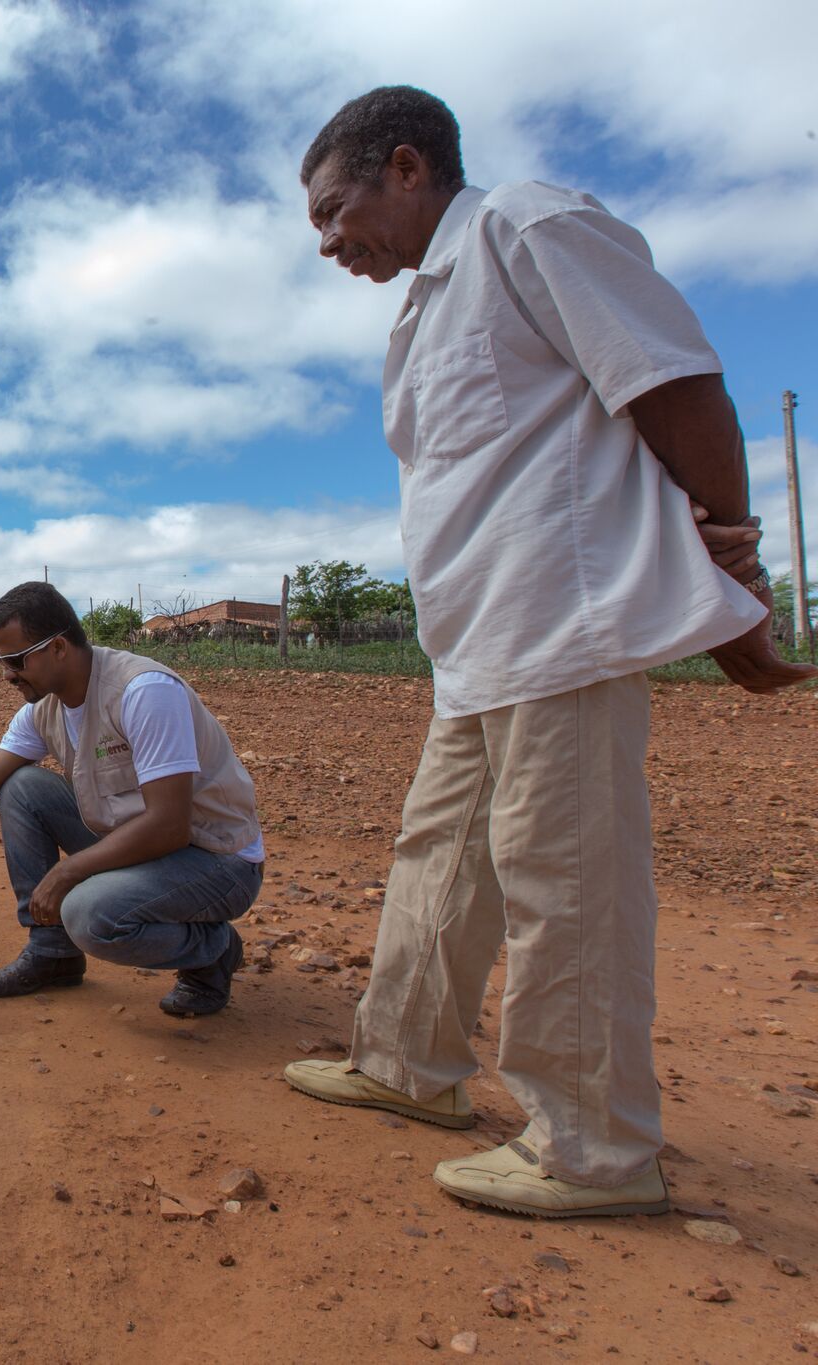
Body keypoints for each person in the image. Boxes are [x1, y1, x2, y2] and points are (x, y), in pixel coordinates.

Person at [283, 86, 817, 1218]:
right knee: (439, 860)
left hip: (559, 632)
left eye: (335, 211)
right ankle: (406, 1067)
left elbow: (672, 383)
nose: (327, 243)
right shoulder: (425, 306)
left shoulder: (522, 226)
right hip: (474, 647)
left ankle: (594, 1151)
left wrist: (733, 566)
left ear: (407, 166)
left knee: (561, 884)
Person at [0, 583, 266, 1016]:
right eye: (0, 661)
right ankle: (52, 953)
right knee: (22, 787)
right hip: (143, 847)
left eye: (16, 660)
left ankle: (213, 950)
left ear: (58, 647)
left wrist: (68, 873)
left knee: (89, 915)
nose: (7, 674)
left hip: (216, 859)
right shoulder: (44, 711)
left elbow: (169, 826)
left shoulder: (143, 692)